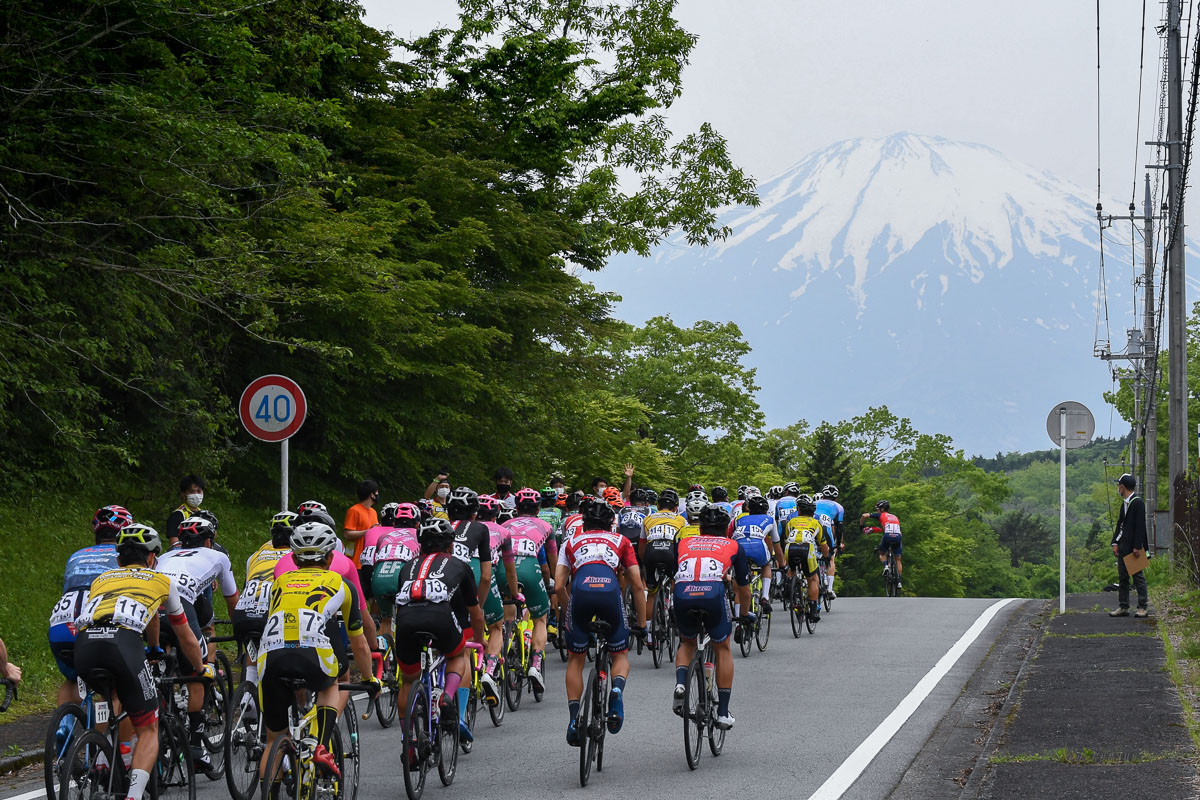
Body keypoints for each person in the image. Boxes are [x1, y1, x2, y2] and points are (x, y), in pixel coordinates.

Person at [74, 524, 210, 800]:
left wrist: (153, 645)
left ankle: (101, 762)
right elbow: (185, 637)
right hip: (122, 645)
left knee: (109, 699)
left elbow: (147, 620)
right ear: (151, 558)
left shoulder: (103, 579)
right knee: (148, 727)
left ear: (119, 559)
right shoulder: (161, 581)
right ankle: (133, 796)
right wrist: (200, 667)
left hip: (85, 645)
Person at [258, 522, 379, 781]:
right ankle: (319, 746)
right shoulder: (341, 583)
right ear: (330, 556)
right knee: (332, 682)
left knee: (273, 740)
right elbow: (358, 643)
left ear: (293, 557)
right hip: (312, 652)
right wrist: (369, 678)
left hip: (271, 656)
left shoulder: (278, 583)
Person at [555, 498, 646, 744]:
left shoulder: (570, 541)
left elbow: (558, 585)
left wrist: (569, 611)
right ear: (611, 524)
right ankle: (616, 689)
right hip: (610, 595)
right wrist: (642, 625)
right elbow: (637, 585)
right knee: (620, 655)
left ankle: (574, 719)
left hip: (580, 595)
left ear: (584, 523)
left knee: (576, 660)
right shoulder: (621, 541)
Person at [155, 515, 239, 774]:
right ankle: (194, 746)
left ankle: (157, 719)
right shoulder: (218, 556)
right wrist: (240, 631)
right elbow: (232, 598)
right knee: (197, 672)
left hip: (150, 609)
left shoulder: (166, 555)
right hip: (179, 606)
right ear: (209, 541)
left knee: (156, 667)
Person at [393, 518, 486, 745]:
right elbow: (475, 613)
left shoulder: (407, 567)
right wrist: (480, 640)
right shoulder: (460, 565)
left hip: (406, 621)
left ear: (420, 545)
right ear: (451, 545)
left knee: (407, 681)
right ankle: (446, 696)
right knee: (458, 654)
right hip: (440, 616)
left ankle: (408, 742)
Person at [671, 504, 750, 730]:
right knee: (722, 646)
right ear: (726, 529)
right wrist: (743, 615)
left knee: (687, 642)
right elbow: (743, 589)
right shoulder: (734, 545)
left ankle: (680, 684)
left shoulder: (684, 542)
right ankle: (723, 713)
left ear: (701, 528)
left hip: (683, 592)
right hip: (713, 593)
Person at [49, 506, 128, 710]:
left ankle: (63, 725)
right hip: (94, 622)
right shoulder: (123, 556)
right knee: (115, 686)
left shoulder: (76, 556)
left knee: (72, 680)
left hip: (61, 623)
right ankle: (102, 740)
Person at [501, 488, 558, 693]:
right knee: (540, 618)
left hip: (504, 569)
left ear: (516, 508)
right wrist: (553, 582)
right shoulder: (546, 526)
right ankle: (535, 663)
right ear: (539, 508)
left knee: (508, 608)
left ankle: (507, 643)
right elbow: (552, 560)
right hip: (529, 567)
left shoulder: (505, 524)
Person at [231, 512, 295, 686]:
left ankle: (248, 700)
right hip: (271, 611)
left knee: (253, 651)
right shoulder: (297, 557)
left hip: (244, 611)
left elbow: (247, 584)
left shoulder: (255, 555)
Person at [474, 496, 519, 705]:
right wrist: (514, 594)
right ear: (496, 515)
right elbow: (509, 571)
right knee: (496, 627)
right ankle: (489, 672)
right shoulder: (502, 532)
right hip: (484, 575)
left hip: (455, 575)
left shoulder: (462, 528)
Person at [371, 503, 421, 639]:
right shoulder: (419, 534)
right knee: (411, 618)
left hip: (379, 578)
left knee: (386, 620)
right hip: (402, 574)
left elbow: (375, 560)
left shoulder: (384, 535)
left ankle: (385, 655)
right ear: (417, 524)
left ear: (394, 522)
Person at [730, 494, 784, 617]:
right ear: (766, 510)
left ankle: (739, 620)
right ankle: (765, 595)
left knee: (741, 587)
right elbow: (776, 544)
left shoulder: (738, 519)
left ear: (749, 509)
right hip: (758, 546)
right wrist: (782, 563)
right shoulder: (769, 519)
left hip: (739, 548)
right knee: (766, 565)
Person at [1110, 474, 1150, 617]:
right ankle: (1123, 606)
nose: (1118, 489)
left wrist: (1137, 546)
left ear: (1122, 487)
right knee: (1123, 577)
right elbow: (1120, 524)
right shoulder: (1125, 504)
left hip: (1134, 547)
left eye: (1119, 486)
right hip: (1123, 546)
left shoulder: (1137, 503)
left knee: (1138, 576)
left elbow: (1140, 526)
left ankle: (1142, 607)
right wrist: (1115, 542)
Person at [783, 494, 826, 622]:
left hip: (790, 548)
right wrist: (826, 556)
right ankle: (813, 609)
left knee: (791, 569)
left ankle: (789, 587)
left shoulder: (791, 521)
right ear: (813, 512)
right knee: (812, 578)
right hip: (807, 549)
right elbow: (823, 545)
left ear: (799, 511)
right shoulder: (816, 523)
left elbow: (785, 538)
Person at [861, 500, 903, 590]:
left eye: (878, 509)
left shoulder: (881, 515)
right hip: (898, 536)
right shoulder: (895, 516)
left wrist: (861, 526)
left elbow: (864, 515)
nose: (877, 511)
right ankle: (899, 581)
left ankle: (886, 566)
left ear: (882, 509)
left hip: (888, 536)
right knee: (898, 559)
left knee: (882, 553)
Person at [815, 486, 845, 600]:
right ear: (836, 498)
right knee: (831, 557)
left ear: (822, 496)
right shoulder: (839, 507)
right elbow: (839, 527)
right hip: (826, 528)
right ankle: (829, 589)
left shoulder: (815, 502)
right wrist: (837, 545)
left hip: (812, 527)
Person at [343, 480, 380, 570]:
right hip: (355, 561)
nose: (378, 494)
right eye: (377, 492)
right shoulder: (354, 510)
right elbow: (347, 534)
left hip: (370, 561)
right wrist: (368, 531)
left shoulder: (373, 512)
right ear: (371, 495)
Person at [164, 475, 206, 546]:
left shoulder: (203, 514)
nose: (196, 495)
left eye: (199, 491)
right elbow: (174, 545)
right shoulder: (177, 515)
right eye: (192, 492)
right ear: (184, 494)